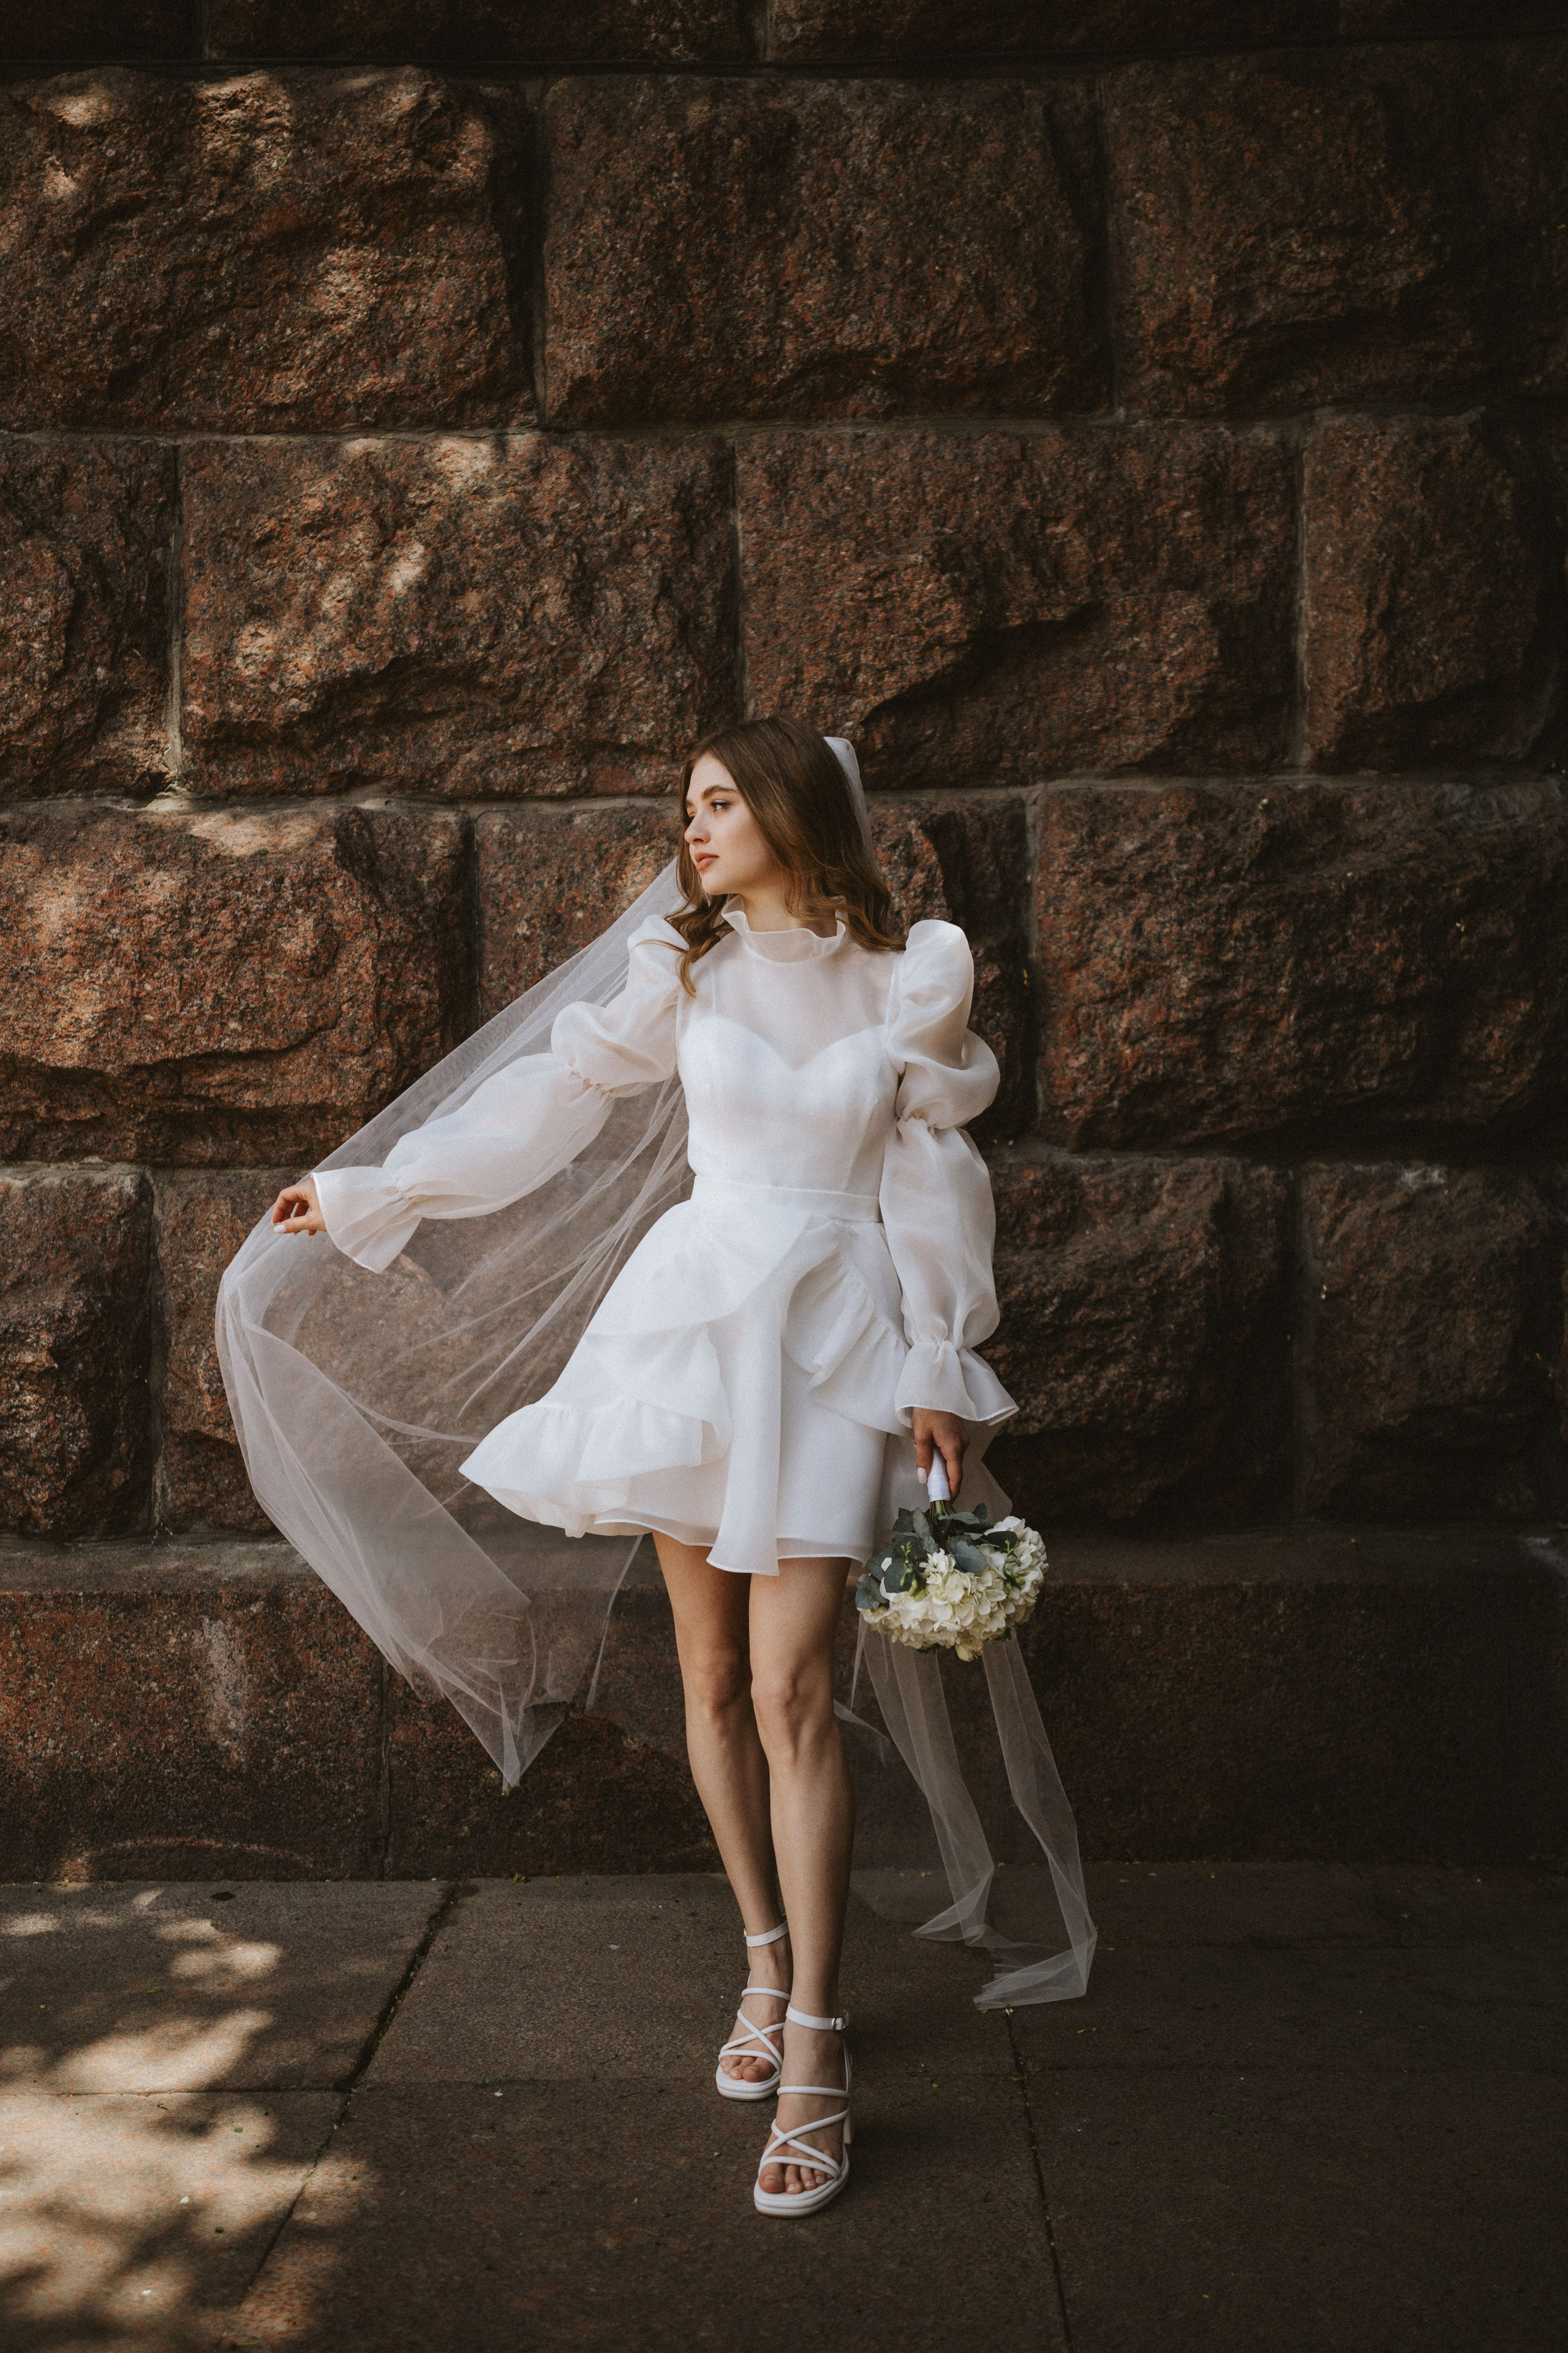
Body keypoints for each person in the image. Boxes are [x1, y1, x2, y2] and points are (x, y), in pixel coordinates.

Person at [221, 718, 1093, 2220]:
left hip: (833, 1336)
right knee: (705, 1679)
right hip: (693, 1329)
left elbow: (936, 1180)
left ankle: (816, 2048)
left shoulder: (910, 981)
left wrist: (944, 1365)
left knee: (790, 1687)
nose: (691, 826)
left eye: (716, 800)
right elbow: (547, 1105)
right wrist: (378, 1188)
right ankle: (761, 1960)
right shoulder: (681, 970)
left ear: (787, 809)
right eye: (686, 804)